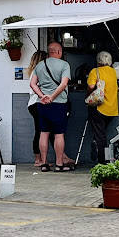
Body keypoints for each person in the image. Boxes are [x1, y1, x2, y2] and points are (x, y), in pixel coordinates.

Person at [30, 42, 74, 172]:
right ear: (59, 51)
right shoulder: (64, 65)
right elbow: (64, 83)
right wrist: (52, 97)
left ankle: (44, 164)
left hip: (42, 104)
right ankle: (59, 164)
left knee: (44, 133)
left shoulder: (40, 64)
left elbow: (33, 84)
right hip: (59, 104)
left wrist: (43, 96)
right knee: (59, 134)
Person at [86, 51, 119, 164]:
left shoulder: (95, 71)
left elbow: (91, 86)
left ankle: (102, 162)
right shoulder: (113, 72)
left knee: (101, 137)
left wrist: (87, 95)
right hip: (112, 109)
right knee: (101, 132)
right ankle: (96, 142)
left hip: (99, 107)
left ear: (98, 61)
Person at [27, 50, 48, 167]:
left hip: (32, 104)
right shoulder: (40, 72)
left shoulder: (33, 72)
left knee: (40, 131)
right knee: (41, 131)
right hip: (38, 103)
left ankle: (39, 159)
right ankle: (38, 159)